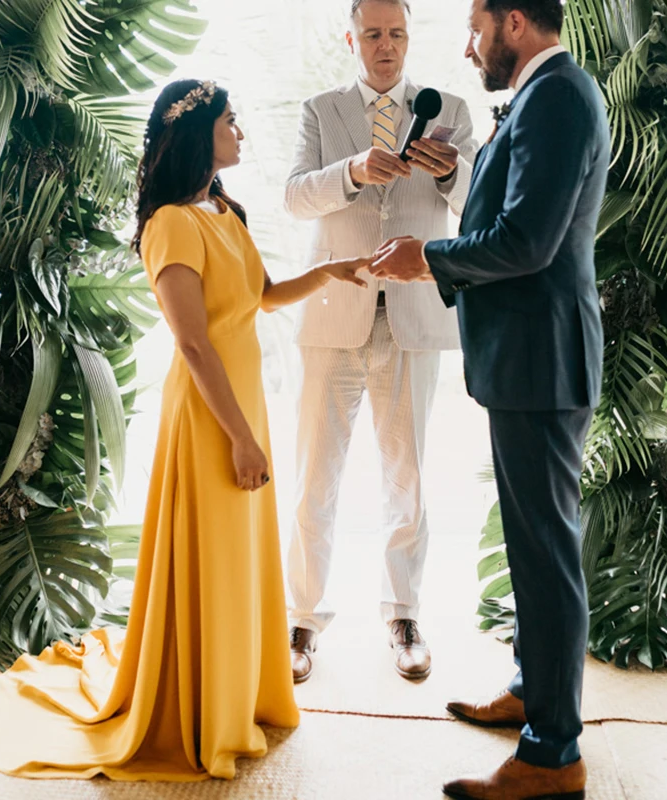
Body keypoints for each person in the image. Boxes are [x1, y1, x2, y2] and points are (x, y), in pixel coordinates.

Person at [0, 79, 369, 782]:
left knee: (239, 556)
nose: (241, 131)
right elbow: (192, 344)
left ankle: (237, 693)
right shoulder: (173, 224)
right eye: (230, 121)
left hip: (241, 404)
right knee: (211, 551)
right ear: (197, 133)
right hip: (213, 415)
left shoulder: (221, 209)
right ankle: (199, 711)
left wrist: (332, 271)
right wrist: (240, 437)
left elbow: (264, 297)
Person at [369, 0, 610, 795]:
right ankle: (534, 696)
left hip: (542, 363)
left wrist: (426, 259)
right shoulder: (547, 95)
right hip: (529, 360)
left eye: (475, 28)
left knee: (545, 554)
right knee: (534, 547)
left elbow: (526, 241)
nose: (468, 47)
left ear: (513, 21)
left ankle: (553, 756)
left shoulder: (560, 97)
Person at [284, 0, 478, 684]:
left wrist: (452, 171)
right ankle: (301, 622)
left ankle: (404, 616)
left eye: (396, 33)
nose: (386, 45)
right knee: (315, 476)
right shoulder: (320, 109)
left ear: (408, 37)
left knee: (410, 477)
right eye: (373, 34)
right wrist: (352, 173)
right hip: (333, 314)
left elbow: (480, 206)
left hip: (414, 315)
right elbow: (294, 197)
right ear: (352, 38)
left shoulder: (450, 105)